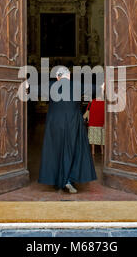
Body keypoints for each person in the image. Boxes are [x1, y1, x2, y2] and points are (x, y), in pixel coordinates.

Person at [31, 66, 101, 194]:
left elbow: (30, 89)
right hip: (73, 124)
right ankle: (68, 180)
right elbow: (99, 89)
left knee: (56, 152)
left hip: (55, 125)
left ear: (58, 77)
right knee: (72, 151)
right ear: (68, 76)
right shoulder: (77, 85)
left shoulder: (51, 85)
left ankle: (59, 181)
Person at [84, 92, 105, 157]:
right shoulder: (104, 103)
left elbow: (87, 111)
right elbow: (106, 114)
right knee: (101, 138)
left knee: (93, 138)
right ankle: (102, 151)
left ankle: (93, 151)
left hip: (92, 122)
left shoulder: (91, 102)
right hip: (101, 123)